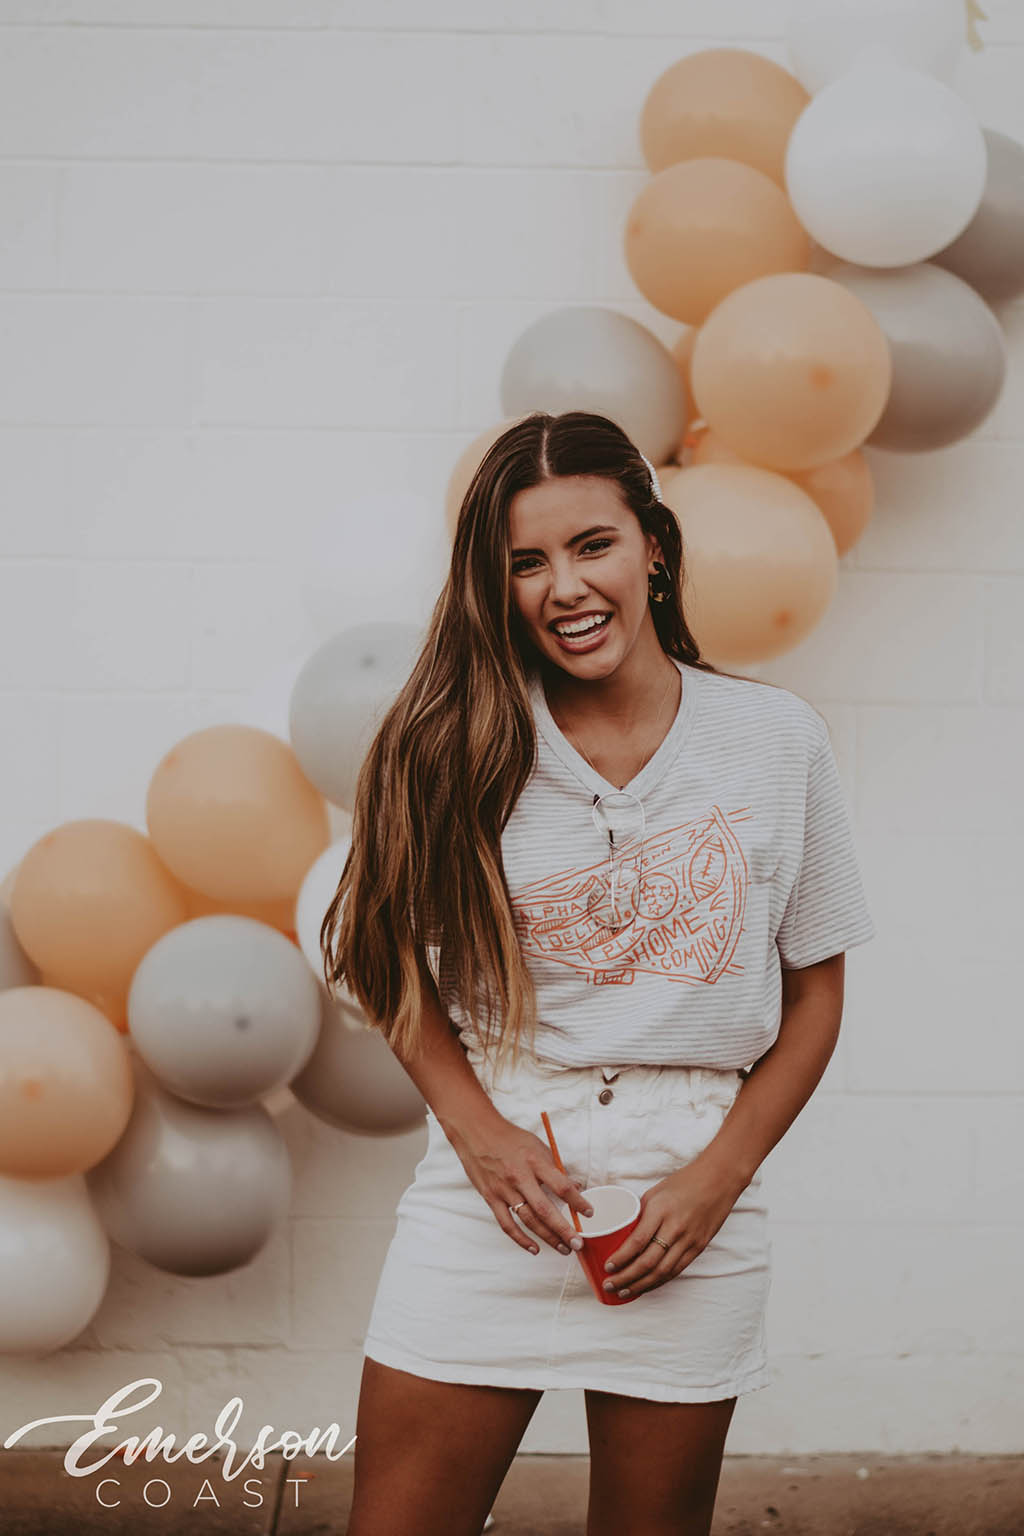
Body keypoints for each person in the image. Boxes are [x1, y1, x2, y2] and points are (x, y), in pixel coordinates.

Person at [320, 410, 876, 1536]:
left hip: (690, 1196)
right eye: (525, 562)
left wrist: (720, 1177)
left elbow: (815, 998)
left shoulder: (777, 741)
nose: (564, 587)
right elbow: (386, 962)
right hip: (495, 1195)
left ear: (653, 549)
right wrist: (478, 1132)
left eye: (592, 545)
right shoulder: (449, 740)